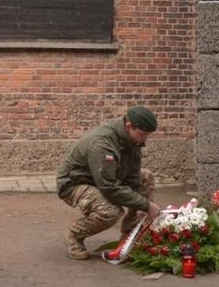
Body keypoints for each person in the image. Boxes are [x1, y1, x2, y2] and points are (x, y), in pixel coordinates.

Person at [56, 106, 161, 260]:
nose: (145, 138)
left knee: (145, 176)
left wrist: (139, 205)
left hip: (101, 178)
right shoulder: (103, 144)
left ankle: (131, 234)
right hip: (75, 184)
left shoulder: (132, 139)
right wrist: (146, 205)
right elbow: (109, 187)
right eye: (143, 134)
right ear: (128, 126)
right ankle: (74, 234)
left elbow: (133, 175)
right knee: (111, 211)